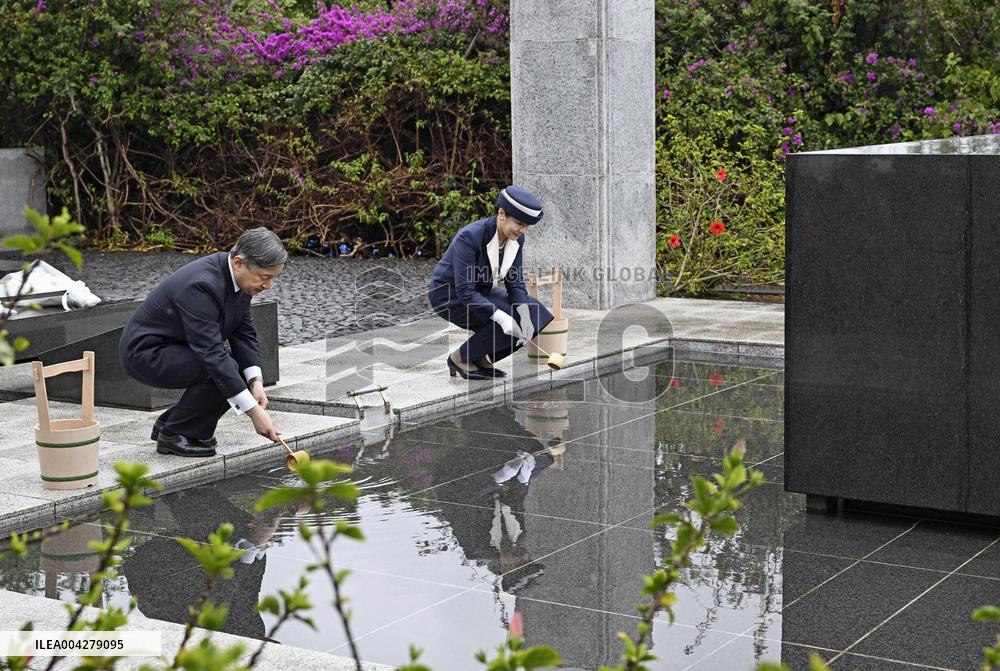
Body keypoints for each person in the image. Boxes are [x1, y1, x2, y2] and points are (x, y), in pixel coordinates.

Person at [119, 227, 285, 457]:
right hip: (146, 354)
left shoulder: (240, 280)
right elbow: (212, 354)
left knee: (236, 372)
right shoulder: (201, 285)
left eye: (273, 278)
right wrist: (255, 413)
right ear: (238, 262)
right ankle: (175, 435)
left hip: (179, 346)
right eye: (264, 277)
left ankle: (171, 423)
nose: (268, 286)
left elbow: (243, 332)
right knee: (221, 371)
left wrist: (255, 380)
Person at [427, 186, 554, 379]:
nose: (522, 230)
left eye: (527, 226)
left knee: (533, 311)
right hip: (450, 296)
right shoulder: (469, 237)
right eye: (519, 223)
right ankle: (459, 358)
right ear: (502, 213)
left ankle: (479, 357)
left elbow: (515, 283)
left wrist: (525, 317)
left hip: (481, 293)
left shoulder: (517, 240)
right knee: (505, 316)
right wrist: (501, 317)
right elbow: (465, 291)